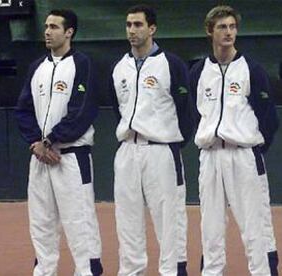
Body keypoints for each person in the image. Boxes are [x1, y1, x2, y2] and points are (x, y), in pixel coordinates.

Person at [189, 5, 279, 276]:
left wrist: (253, 147)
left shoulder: (251, 69)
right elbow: (195, 114)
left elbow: (269, 118)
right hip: (210, 156)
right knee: (211, 226)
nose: (228, 33)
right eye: (222, 27)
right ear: (210, 32)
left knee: (255, 226)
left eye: (232, 27)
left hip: (244, 155)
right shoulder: (198, 72)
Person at [15, 9, 103, 276]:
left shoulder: (83, 64)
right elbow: (23, 110)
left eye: (54, 27)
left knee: (80, 221)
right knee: (41, 222)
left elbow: (82, 111)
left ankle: (88, 271)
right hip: (40, 158)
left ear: (69, 32)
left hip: (71, 157)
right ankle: (44, 271)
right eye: (46, 26)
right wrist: (35, 143)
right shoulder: (37, 67)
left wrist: (52, 140)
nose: (47, 31)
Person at [110, 4, 192, 276]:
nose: (132, 30)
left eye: (138, 25)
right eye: (128, 25)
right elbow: (117, 109)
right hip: (127, 151)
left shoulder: (171, 64)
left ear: (152, 28)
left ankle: (173, 272)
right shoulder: (119, 68)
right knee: (127, 220)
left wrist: (170, 143)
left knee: (169, 220)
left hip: (161, 151)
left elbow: (186, 112)